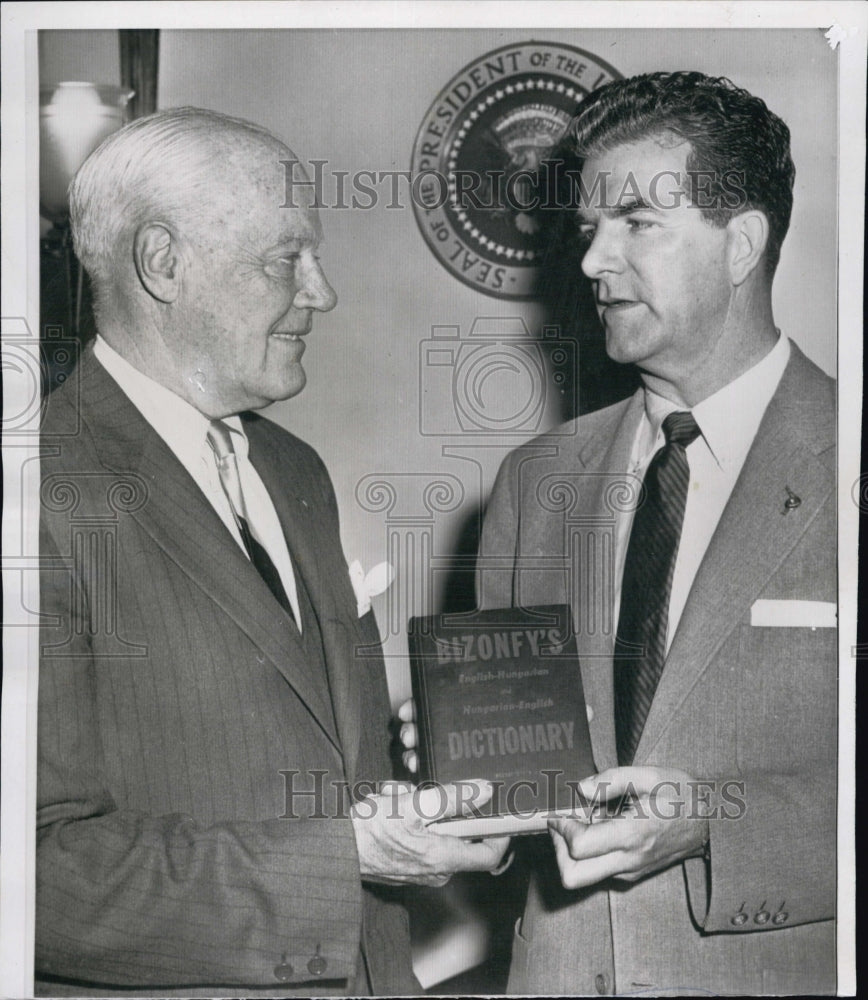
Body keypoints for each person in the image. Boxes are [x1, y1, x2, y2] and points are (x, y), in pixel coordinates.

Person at [36, 107, 507, 997]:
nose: (322, 291)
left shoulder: (296, 470)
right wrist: (343, 856)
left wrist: (419, 794)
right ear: (162, 264)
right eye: (284, 258)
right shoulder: (38, 490)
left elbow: (309, 753)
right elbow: (33, 875)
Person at [401, 71, 837, 995]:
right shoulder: (534, 481)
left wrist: (716, 822)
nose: (594, 261)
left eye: (636, 221)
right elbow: (520, 797)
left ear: (741, 245)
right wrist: (455, 760)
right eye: (591, 229)